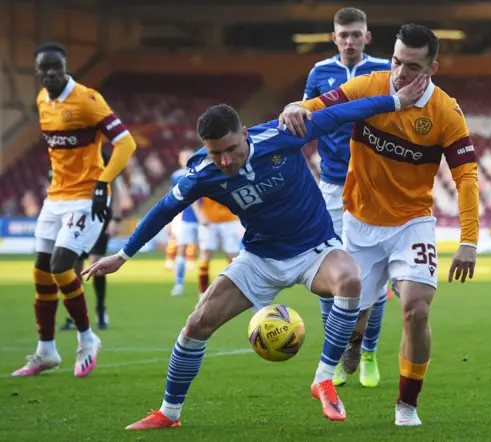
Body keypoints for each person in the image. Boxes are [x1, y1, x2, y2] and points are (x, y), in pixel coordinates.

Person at [82, 83, 426, 429]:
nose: (225, 161)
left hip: (315, 250)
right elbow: (163, 210)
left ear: (244, 134)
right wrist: (123, 255)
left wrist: (398, 100)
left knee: (351, 278)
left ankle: (323, 379)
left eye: (231, 149)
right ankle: (168, 413)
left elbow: (344, 112)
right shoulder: (203, 173)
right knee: (197, 323)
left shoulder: (282, 135)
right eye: (216, 153)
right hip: (261, 258)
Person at [279, 23, 479, 426]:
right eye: (396, 61)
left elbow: (466, 176)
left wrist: (469, 240)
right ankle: (354, 346)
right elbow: (319, 106)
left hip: (412, 223)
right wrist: (294, 107)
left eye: (412, 67)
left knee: (416, 310)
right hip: (360, 224)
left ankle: (407, 406)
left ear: (432, 68)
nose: (400, 73)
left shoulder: (445, 112)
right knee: (355, 325)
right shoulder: (370, 86)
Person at [12, 42, 136, 377]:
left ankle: (86, 339)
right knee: (41, 272)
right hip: (56, 198)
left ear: (66, 67)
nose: (51, 73)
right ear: (38, 72)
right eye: (44, 68)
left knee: (60, 265)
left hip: (86, 197)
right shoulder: (42, 101)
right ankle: (47, 351)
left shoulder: (87, 99)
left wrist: (103, 182)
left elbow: (126, 143)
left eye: (57, 67)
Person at [302, 6, 392, 389]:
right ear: (334, 38)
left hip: (374, 186)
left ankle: (368, 350)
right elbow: (302, 122)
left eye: (357, 34)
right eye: (344, 35)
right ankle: (335, 354)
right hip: (333, 186)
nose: (351, 41)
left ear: (367, 36)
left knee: (372, 273)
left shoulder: (385, 70)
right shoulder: (319, 74)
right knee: (330, 272)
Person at [59, 148, 124, 331]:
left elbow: (115, 187)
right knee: (76, 267)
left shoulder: (103, 157)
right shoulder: (73, 157)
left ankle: (100, 309)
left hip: (101, 217)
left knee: (96, 263)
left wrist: (116, 219)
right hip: (78, 218)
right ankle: (76, 315)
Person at [195, 197, 242, 296]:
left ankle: (235, 292)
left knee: (233, 258)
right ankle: (202, 294)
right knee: (205, 255)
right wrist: (199, 215)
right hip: (208, 221)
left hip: (230, 221)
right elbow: (193, 197)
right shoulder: (203, 181)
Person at [170, 148, 200, 296]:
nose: (186, 160)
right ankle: (179, 284)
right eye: (184, 157)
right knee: (181, 249)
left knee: (204, 253)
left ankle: (203, 287)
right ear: (180, 160)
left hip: (204, 220)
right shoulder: (177, 176)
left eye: (189, 156)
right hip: (186, 219)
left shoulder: (202, 172)